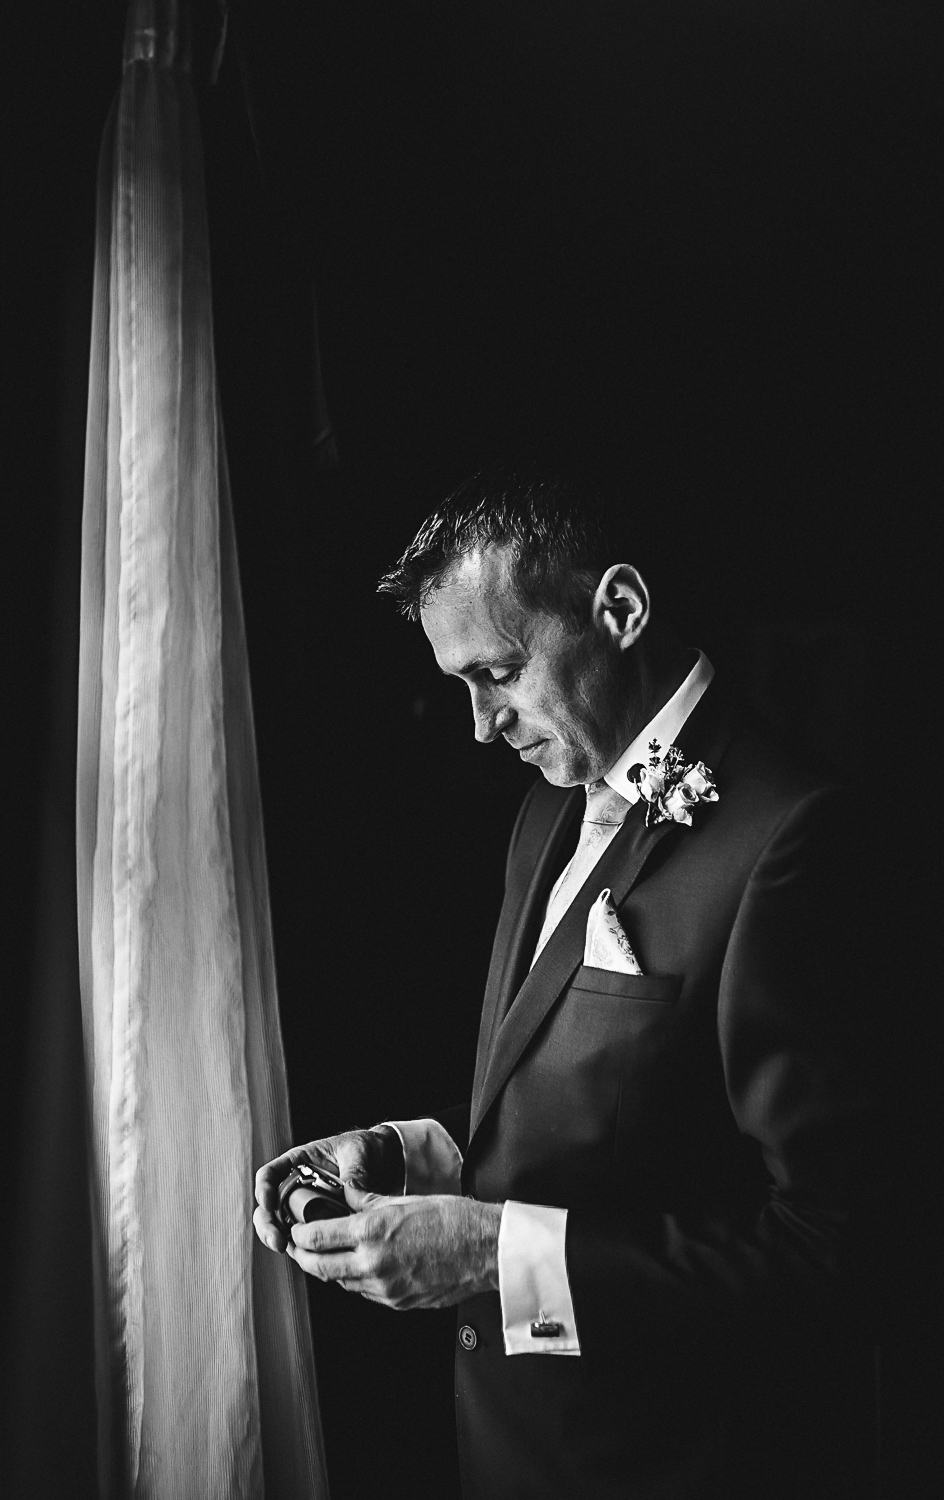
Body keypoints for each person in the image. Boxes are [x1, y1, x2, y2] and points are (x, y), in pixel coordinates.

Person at [253, 465, 882, 1499]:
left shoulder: (792, 840)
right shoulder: (545, 810)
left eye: (497, 673)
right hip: (517, 1454)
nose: (478, 725)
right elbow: (614, 1103)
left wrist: (498, 1260)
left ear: (620, 609)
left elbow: (838, 1251)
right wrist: (424, 1150)